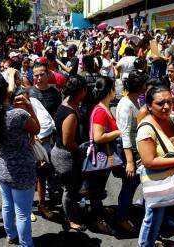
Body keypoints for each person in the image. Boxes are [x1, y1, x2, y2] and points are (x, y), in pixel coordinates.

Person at [0, 71, 40, 246]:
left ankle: (11, 235)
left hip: (1, 167)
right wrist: (29, 106)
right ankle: (26, 244)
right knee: (23, 212)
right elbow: (36, 129)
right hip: (21, 170)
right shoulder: (18, 114)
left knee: (7, 205)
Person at [136, 85, 174, 247]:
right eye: (160, 103)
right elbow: (149, 161)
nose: (166, 106)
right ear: (149, 106)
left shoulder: (170, 119)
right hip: (158, 184)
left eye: (169, 102)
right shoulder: (146, 128)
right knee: (152, 220)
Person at [51, 75, 87, 232]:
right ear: (81, 92)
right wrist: (82, 150)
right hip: (65, 156)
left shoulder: (67, 102)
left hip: (63, 153)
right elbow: (68, 142)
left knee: (71, 188)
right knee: (69, 190)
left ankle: (72, 212)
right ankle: (70, 219)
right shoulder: (70, 113)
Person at [87, 76, 122, 234]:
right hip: (101, 154)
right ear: (110, 91)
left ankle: (99, 211)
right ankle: (97, 220)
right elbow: (98, 137)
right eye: (114, 88)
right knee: (97, 189)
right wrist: (118, 132)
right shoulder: (101, 110)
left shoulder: (103, 107)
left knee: (98, 187)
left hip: (105, 153)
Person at [116, 71, 149, 233]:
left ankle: (126, 211)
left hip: (138, 153)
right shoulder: (126, 104)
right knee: (128, 186)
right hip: (131, 155)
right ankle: (122, 218)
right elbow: (125, 135)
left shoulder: (135, 101)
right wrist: (130, 161)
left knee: (132, 185)